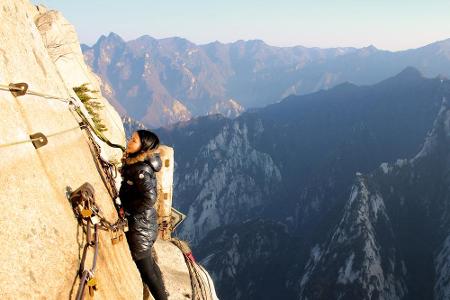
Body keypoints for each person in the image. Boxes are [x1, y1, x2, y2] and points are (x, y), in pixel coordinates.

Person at [119, 129, 168, 300]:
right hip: (145, 223)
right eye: (131, 138)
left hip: (141, 228)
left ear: (143, 147)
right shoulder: (137, 163)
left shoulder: (141, 169)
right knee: (151, 267)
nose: (129, 142)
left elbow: (150, 198)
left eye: (134, 140)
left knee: (148, 273)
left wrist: (129, 209)